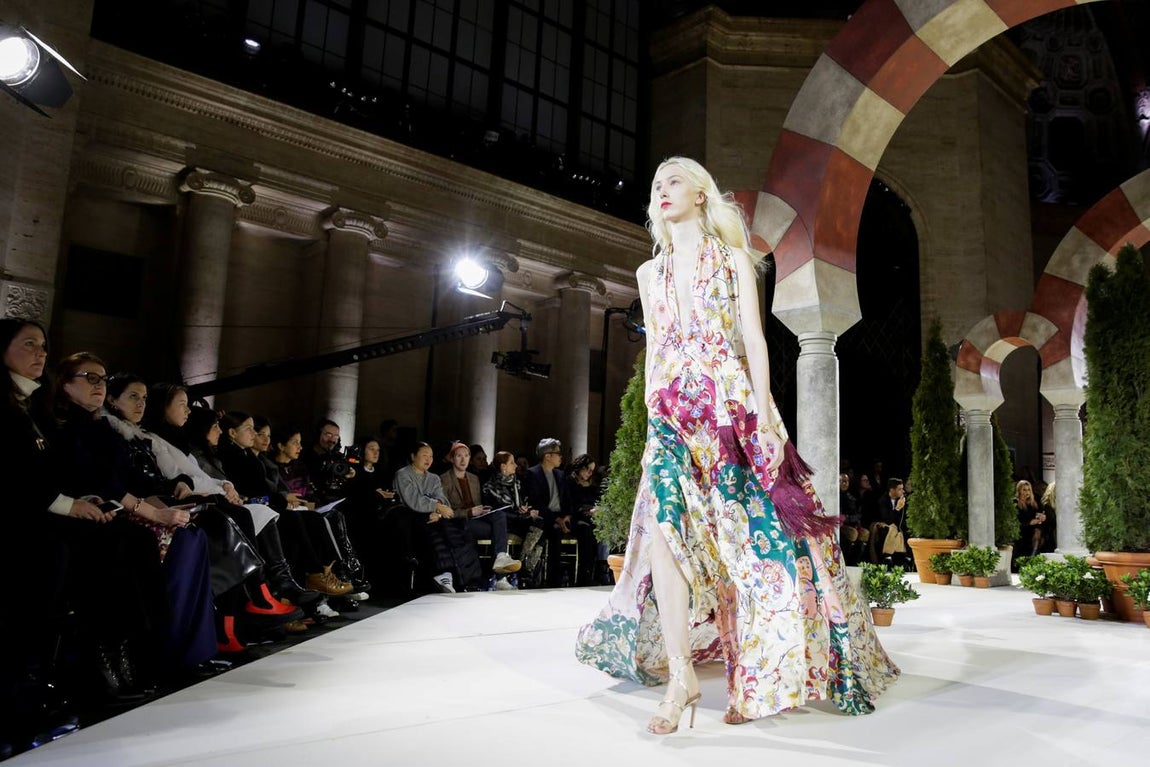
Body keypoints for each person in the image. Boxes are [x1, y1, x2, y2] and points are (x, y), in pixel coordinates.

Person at [574, 157, 898, 733]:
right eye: (656, 185)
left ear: (701, 195)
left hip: (729, 411)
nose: (662, 190)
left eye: (674, 181)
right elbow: (656, 353)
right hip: (671, 416)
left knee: (759, 535)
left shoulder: (734, 263)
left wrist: (768, 418)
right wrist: (653, 412)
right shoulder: (649, 275)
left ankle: (787, 650)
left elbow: (752, 338)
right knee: (667, 534)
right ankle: (680, 678)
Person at [439, 441, 521, 590]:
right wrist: (469, 512)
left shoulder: (474, 478)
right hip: (459, 521)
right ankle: (500, 578)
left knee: (499, 515)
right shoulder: (444, 479)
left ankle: (501, 557)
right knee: (498, 532)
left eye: (466, 456)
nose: (463, 460)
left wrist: (482, 510)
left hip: (476, 518)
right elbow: (446, 511)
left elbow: (477, 504)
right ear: (452, 458)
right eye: (459, 456)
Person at [482, 450, 546, 587]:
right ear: (503, 466)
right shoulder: (490, 486)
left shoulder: (517, 484)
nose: (516, 466)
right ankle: (523, 570)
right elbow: (497, 510)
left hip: (517, 519)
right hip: (503, 520)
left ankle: (524, 565)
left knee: (539, 522)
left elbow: (520, 505)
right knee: (532, 523)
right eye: (512, 463)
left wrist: (525, 510)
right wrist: (522, 514)